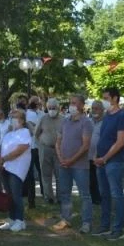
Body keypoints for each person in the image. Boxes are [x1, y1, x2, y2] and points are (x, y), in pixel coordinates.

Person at [92, 86, 124, 241]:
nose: (104, 101)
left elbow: (120, 142)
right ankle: (105, 225)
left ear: (115, 98)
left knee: (116, 194)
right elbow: (102, 137)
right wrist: (97, 155)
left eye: (106, 98)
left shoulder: (122, 116)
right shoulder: (107, 115)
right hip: (101, 160)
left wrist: (105, 157)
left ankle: (118, 229)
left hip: (114, 161)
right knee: (104, 194)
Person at [54, 94, 93, 233]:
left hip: (79, 165)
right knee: (65, 193)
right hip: (64, 164)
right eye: (71, 103)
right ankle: (66, 219)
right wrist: (60, 158)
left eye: (75, 103)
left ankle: (86, 223)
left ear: (82, 105)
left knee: (84, 194)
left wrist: (71, 160)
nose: (72, 105)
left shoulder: (86, 122)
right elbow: (58, 140)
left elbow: (85, 145)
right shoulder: (65, 121)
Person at [0, 109, 32, 232]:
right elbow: (1, 147)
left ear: (21, 120)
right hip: (5, 166)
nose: (12, 119)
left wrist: (4, 158)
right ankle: (11, 218)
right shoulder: (8, 133)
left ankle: (20, 220)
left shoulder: (25, 132)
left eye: (15, 117)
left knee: (16, 194)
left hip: (17, 167)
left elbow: (21, 149)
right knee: (9, 194)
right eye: (11, 117)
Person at [34, 98, 61, 205]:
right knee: (46, 174)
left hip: (59, 150)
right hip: (45, 149)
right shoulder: (43, 118)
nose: (51, 110)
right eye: (49, 108)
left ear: (58, 108)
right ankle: (48, 197)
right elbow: (36, 133)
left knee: (60, 175)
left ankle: (60, 197)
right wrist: (42, 143)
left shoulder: (64, 119)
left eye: (53, 108)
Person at [25, 96, 44, 207]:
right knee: (30, 174)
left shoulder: (41, 113)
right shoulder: (27, 114)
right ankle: (31, 198)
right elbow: (33, 130)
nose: (36, 103)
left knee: (42, 170)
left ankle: (44, 192)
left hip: (39, 146)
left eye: (37, 102)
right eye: (34, 102)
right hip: (29, 147)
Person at [88, 100, 104, 205]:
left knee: (101, 179)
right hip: (88, 156)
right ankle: (94, 199)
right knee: (91, 179)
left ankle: (102, 198)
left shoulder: (105, 122)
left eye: (97, 108)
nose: (94, 110)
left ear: (102, 110)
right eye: (93, 108)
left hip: (101, 156)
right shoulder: (88, 122)